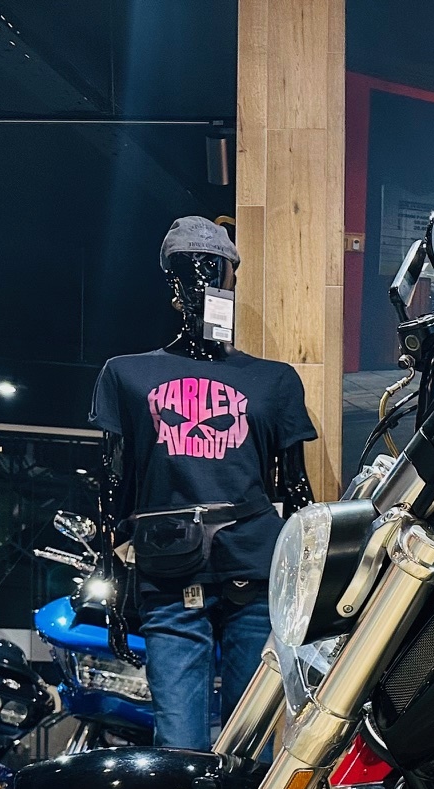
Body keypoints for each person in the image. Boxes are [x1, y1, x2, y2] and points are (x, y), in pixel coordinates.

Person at [89, 216, 317, 749]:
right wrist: (112, 582)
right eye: (186, 271)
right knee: (178, 744)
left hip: (255, 574)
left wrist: (308, 588)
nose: (202, 281)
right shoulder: (127, 375)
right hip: (168, 574)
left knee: (251, 745)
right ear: (169, 282)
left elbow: (297, 491)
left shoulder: (274, 380)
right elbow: (113, 486)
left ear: (232, 278)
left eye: (215, 270)